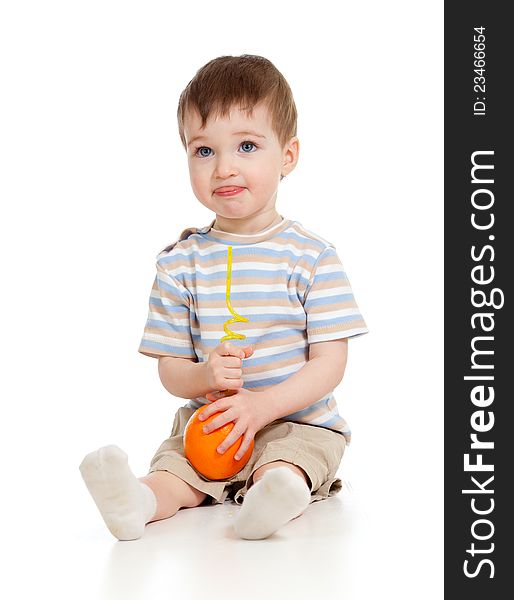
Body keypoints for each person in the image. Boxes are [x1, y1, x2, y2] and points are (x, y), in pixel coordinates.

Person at [79, 54, 368, 541]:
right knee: (177, 467)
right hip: (210, 426)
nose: (224, 167)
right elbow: (171, 369)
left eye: (247, 145)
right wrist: (203, 374)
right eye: (204, 151)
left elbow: (329, 365)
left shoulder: (313, 257)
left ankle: (272, 497)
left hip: (296, 422)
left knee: (289, 460)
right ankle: (137, 501)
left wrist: (262, 408)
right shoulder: (178, 263)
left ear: (289, 156)